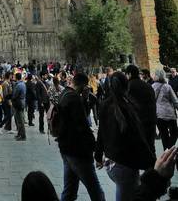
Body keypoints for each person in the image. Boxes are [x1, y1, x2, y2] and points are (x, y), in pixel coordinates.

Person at [95, 71, 155, 201]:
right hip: (125, 164)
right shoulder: (128, 107)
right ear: (126, 86)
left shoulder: (105, 105)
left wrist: (98, 156)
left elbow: (101, 132)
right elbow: (138, 138)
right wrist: (152, 161)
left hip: (110, 162)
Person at [57, 72, 105, 201]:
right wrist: (94, 148)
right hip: (77, 150)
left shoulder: (64, 94)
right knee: (95, 190)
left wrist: (84, 99)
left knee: (70, 189)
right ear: (84, 85)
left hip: (65, 148)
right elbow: (82, 126)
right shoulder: (74, 98)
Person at [125, 64, 157, 153]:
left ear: (130, 74)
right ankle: (154, 165)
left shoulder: (129, 86)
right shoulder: (147, 85)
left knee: (142, 148)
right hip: (151, 120)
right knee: (151, 146)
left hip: (139, 122)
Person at [152, 68, 178, 150]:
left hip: (158, 114)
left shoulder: (152, 87)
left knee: (164, 135)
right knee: (175, 133)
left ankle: (166, 152)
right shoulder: (167, 86)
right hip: (170, 114)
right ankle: (170, 148)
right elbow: (175, 101)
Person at [12, 72, 26, 141]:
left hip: (18, 103)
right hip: (22, 102)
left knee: (20, 120)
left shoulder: (18, 85)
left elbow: (15, 95)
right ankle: (20, 134)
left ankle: (23, 136)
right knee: (20, 119)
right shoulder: (23, 84)